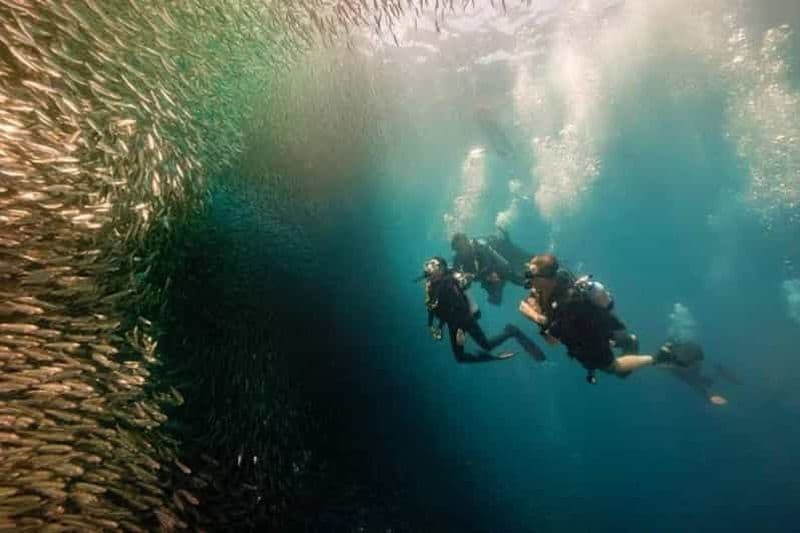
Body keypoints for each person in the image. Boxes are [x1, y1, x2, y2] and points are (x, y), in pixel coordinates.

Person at [518, 253, 672, 383]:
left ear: (545, 278)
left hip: (590, 337)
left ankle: (657, 358)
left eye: (531, 275)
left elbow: (553, 341)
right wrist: (538, 313)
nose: (528, 278)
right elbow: (527, 303)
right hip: (591, 327)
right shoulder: (555, 280)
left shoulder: (567, 303)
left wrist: (538, 318)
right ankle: (624, 339)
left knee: (613, 368)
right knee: (608, 340)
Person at [421, 256, 545, 363]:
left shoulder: (448, 282)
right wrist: (435, 326)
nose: (428, 265)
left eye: (433, 264)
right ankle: (491, 355)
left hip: (464, 320)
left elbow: (459, 304)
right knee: (461, 357)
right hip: (453, 323)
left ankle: (512, 331)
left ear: (441, 268)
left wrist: (460, 329)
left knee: (486, 345)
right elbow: (434, 307)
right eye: (428, 263)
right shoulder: (430, 284)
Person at [451, 228, 531, 305]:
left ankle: (532, 282)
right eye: (458, 249)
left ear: (466, 242)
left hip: (497, 268)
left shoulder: (481, 246)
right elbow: (454, 271)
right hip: (486, 277)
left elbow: (490, 265)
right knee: (495, 300)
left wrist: (473, 276)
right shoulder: (458, 257)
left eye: (461, 247)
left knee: (515, 277)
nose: (461, 251)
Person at [657, 340, 739, 406]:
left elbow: (695, 383)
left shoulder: (683, 365)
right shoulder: (674, 363)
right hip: (688, 366)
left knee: (705, 376)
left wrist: (709, 396)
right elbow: (694, 383)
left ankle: (720, 373)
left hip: (690, 367)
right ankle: (719, 373)